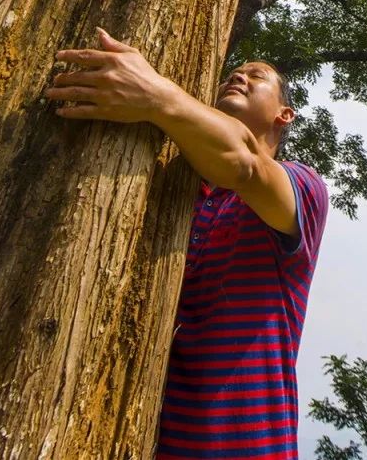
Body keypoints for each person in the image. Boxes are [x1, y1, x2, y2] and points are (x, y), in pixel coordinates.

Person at [45, 27, 329, 460]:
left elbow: (246, 164)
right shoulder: (182, 193)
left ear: (284, 115)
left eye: (257, 75)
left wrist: (157, 96)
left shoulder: (303, 188)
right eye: (234, 71)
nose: (239, 76)